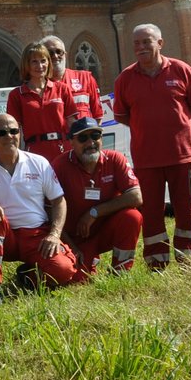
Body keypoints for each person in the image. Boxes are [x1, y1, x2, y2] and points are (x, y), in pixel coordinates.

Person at [0, 113, 82, 306]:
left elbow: (59, 201)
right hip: (3, 236)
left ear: (20, 133)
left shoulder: (39, 162)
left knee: (64, 270)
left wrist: (55, 235)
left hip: (36, 235)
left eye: (14, 131)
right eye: (2, 132)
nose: (9, 136)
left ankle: (29, 277)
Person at [112, 23, 191, 269]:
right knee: (152, 213)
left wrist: (179, 123)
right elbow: (122, 115)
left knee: (186, 210)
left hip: (181, 156)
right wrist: (146, 127)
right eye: (137, 43)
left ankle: (189, 260)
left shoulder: (181, 70)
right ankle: (157, 263)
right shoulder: (125, 79)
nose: (141, 47)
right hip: (146, 160)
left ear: (160, 43)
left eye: (147, 41)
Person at [51, 116, 143, 276]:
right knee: (75, 278)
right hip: (74, 239)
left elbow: (136, 196)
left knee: (132, 217)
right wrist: (71, 247)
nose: (90, 143)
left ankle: (121, 271)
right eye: (83, 138)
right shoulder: (59, 165)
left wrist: (94, 212)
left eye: (95, 136)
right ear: (71, 142)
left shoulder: (115, 159)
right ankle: (29, 273)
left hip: (103, 232)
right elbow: (49, 212)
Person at [7, 41, 73, 163]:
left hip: (63, 150)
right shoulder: (16, 95)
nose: (40, 66)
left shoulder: (62, 89)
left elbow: (72, 123)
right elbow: (15, 131)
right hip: (34, 153)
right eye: (34, 62)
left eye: (43, 61)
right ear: (26, 65)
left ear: (48, 63)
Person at [43, 35, 104, 121]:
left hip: (83, 134)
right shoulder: (40, 85)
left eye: (59, 52)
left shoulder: (85, 78)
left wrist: (92, 134)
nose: (55, 56)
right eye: (50, 53)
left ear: (65, 55)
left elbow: (98, 116)